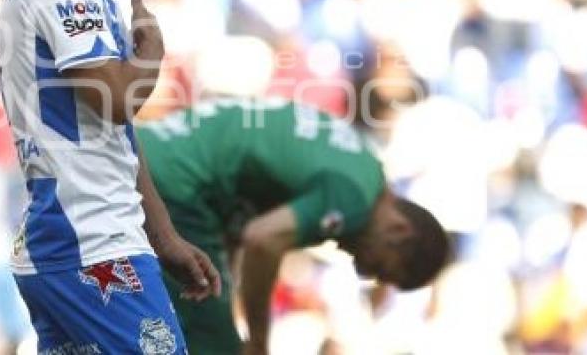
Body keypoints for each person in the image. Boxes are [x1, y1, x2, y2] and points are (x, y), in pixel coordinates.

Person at [0, 0, 220, 355]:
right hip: (90, 244)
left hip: (81, 238)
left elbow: (111, 130)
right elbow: (115, 98)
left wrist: (162, 236)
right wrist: (151, 56)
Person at [136, 98, 450, 355]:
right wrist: (259, 340)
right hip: (179, 187)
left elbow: (239, 216)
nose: (362, 269)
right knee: (216, 346)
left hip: (157, 155)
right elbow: (261, 239)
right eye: (379, 267)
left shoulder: (363, 164)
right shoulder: (352, 198)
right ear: (398, 230)